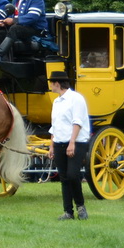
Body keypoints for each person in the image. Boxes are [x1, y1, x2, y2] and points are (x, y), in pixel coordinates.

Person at [49, 71, 90, 219]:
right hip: (59, 141)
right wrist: (52, 145)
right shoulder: (56, 102)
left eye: (51, 83)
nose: (50, 86)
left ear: (57, 84)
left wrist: (72, 142)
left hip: (76, 142)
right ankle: (68, 211)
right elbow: (55, 125)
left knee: (73, 175)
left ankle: (80, 206)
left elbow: (77, 122)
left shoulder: (76, 99)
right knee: (64, 177)